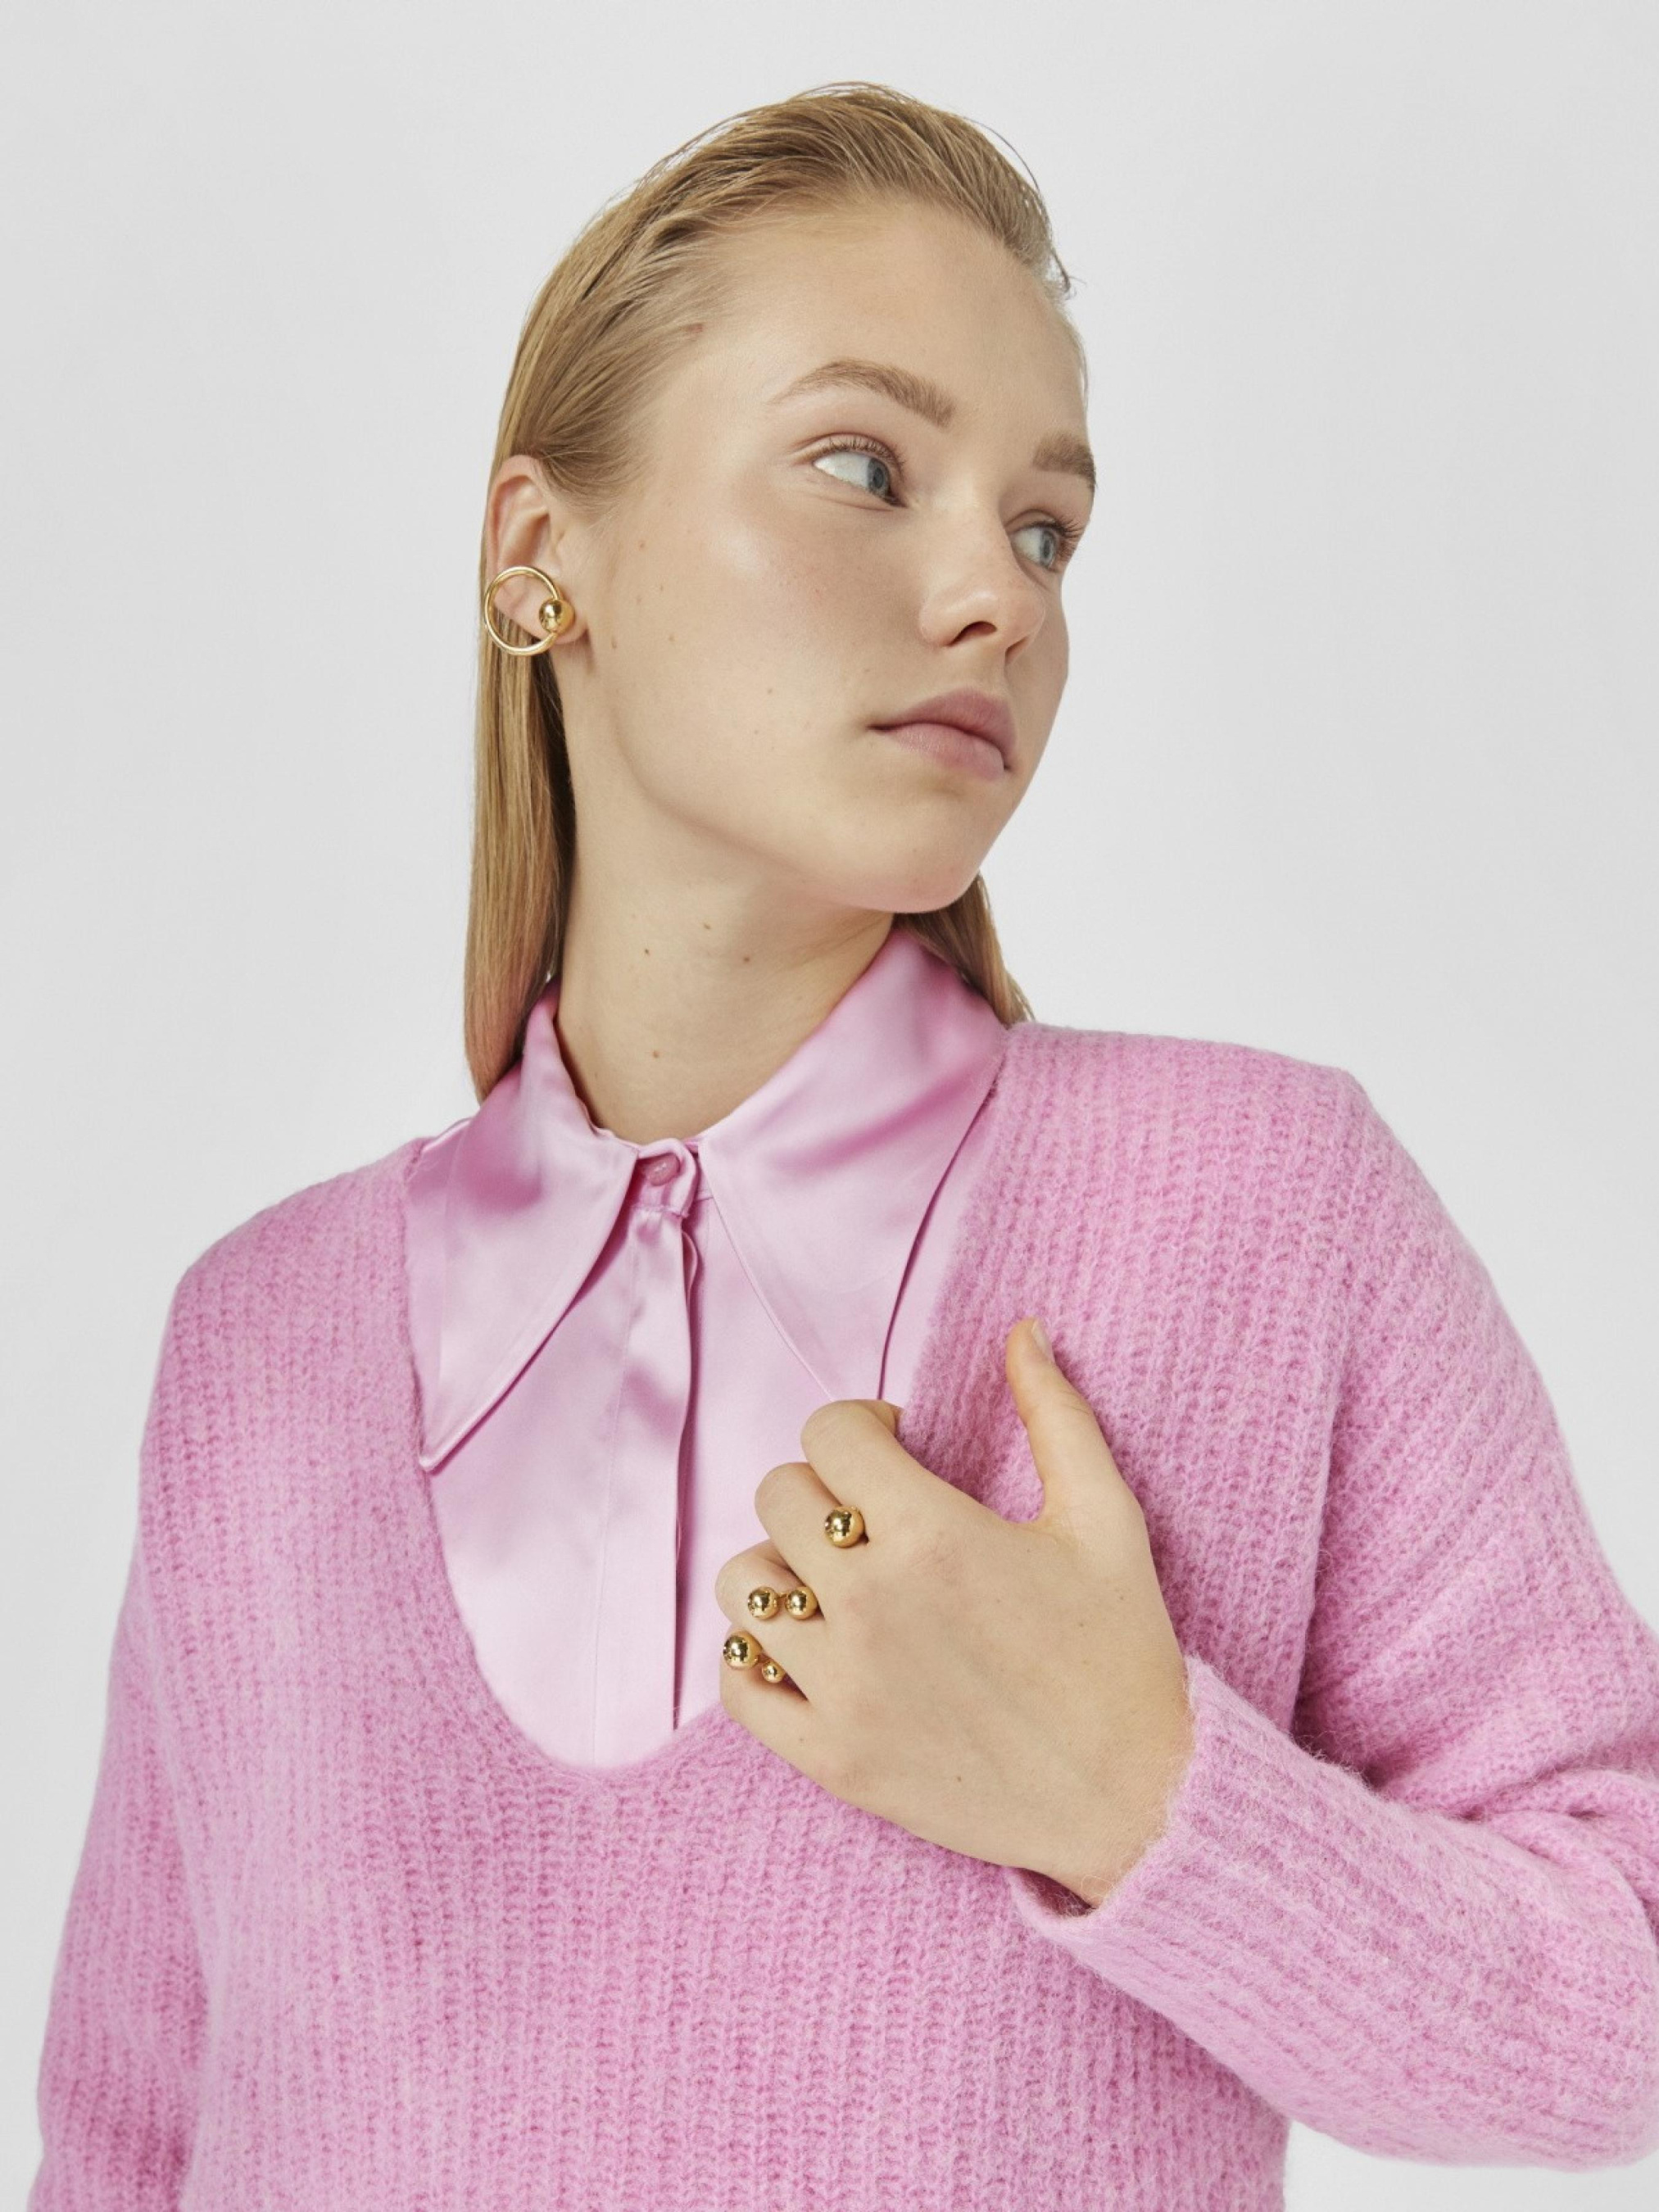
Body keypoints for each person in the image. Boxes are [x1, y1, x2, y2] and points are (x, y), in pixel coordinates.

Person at [29, 80, 1659, 2212]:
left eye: (1046, 529)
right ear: (540, 556)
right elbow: (122, 2151)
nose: (997, 595)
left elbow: (1627, 1987)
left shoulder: (1262, 1211)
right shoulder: (255, 1342)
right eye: (867, 469)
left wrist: (1134, 1790)